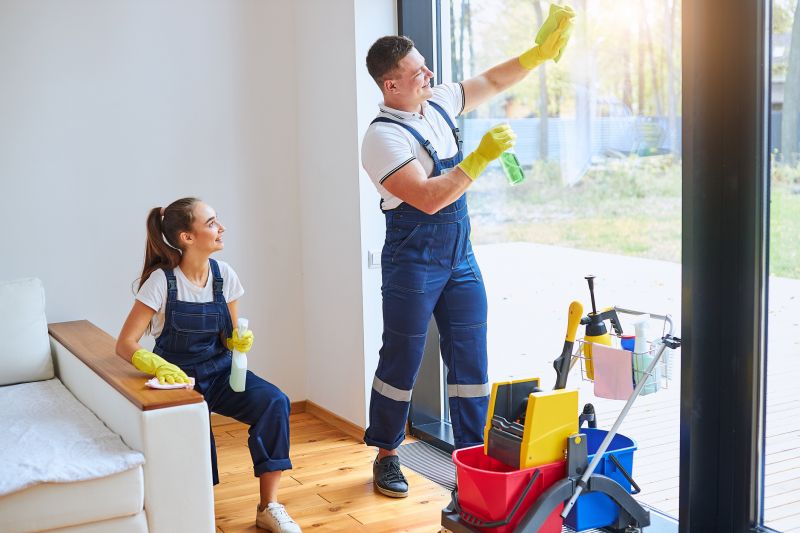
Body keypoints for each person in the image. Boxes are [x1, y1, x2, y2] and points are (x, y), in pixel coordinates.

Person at [360, 12, 574, 498]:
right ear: (391, 84)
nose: (429, 77)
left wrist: (535, 55)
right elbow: (429, 197)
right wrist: (477, 160)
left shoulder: (434, 103)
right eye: (418, 74)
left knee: (471, 361)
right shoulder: (382, 137)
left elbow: (492, 80)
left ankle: (472, 460)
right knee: (402, 357)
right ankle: (388, 453)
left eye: (426, 68)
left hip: (460, 255)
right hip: (412, 258)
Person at [116, 197, 301, 533]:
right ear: (188, 237)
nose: (221, 227)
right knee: (198, 432)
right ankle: (198, 517)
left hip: (222, 374)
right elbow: (125, 343)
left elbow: (231, 335)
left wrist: (238, 342)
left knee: (275, 402)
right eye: (212, 222)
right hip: (179, 381)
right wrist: (157, 366)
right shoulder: (162, 283)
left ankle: (268, 506)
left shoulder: (223, 275)